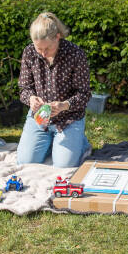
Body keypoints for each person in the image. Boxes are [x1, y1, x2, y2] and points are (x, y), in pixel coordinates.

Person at [16, 12, 92, 167]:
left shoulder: (75, 54)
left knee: (65, 165)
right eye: (39, 48)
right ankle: (52, 142)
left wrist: (64, 105)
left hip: (69, 118)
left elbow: (84, 94)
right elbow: (24, 88)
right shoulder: (29, 52)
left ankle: (81, 143)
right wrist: (30, 98)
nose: (43, 53)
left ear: (57, 37)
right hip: (40, 117)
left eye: (47, 48)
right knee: (25, 162)